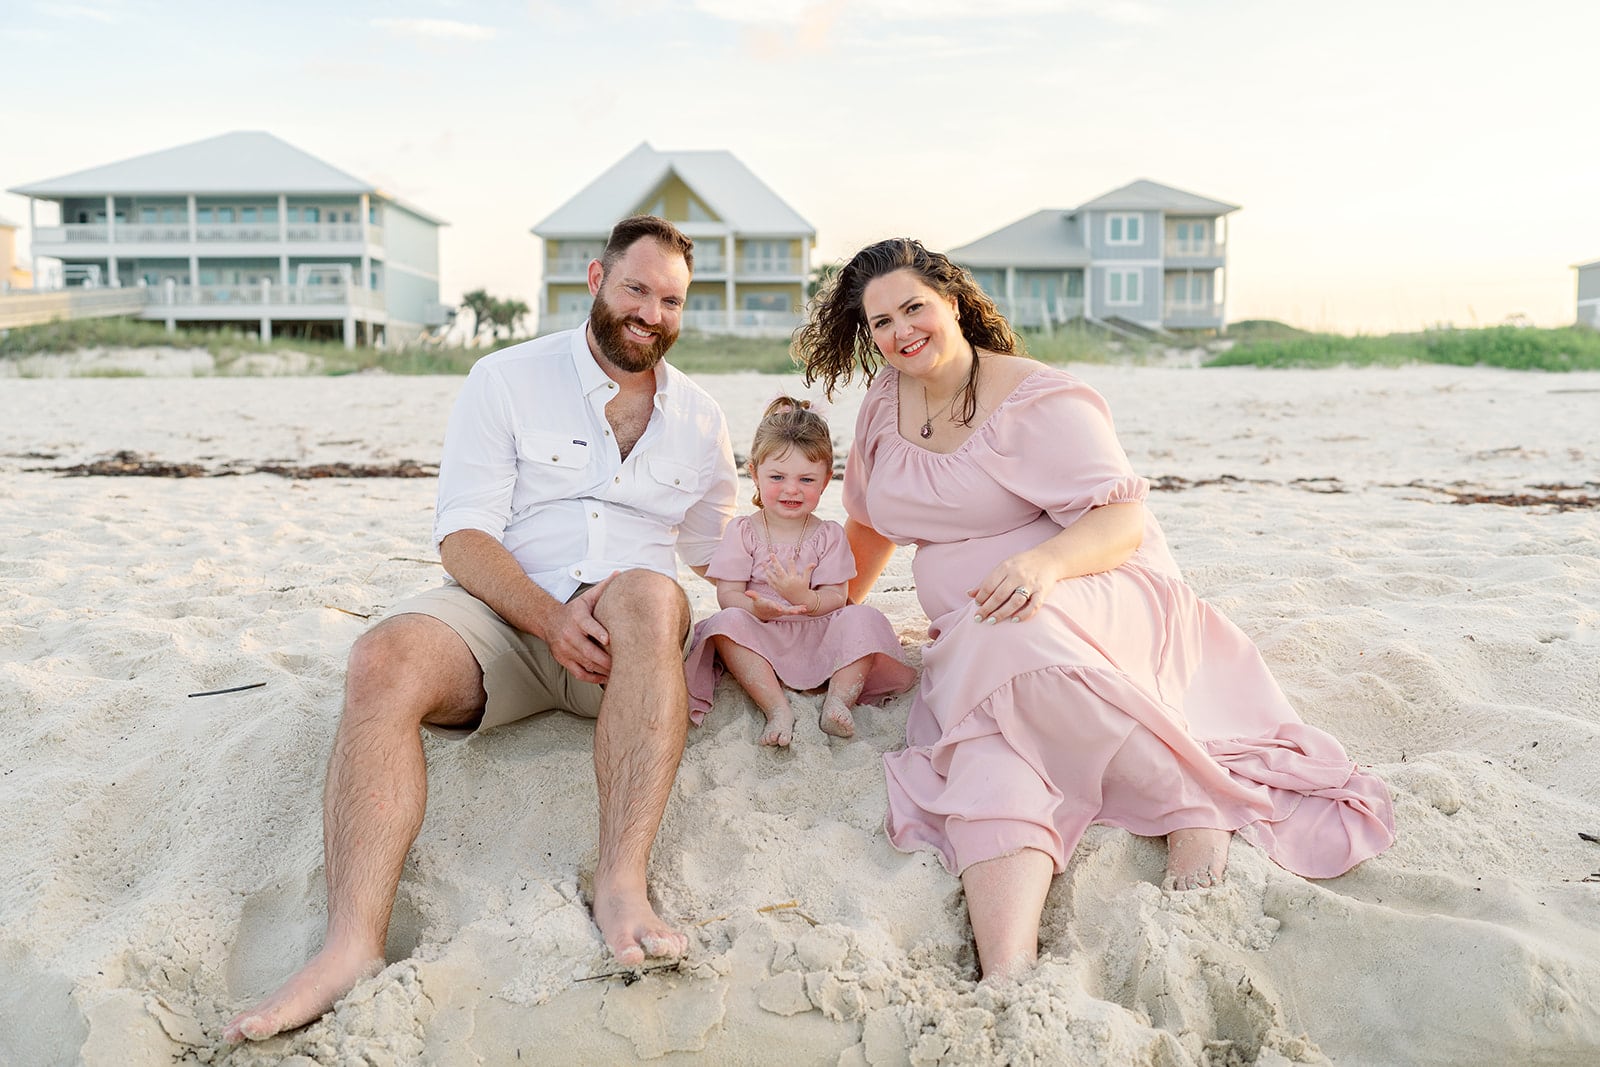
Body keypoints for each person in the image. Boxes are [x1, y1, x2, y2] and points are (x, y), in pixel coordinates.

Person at [792, 238, 1395, 982]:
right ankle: (1009, 974)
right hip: (987, 626)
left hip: (1100, 584)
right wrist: (830, 609)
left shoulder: (1039, 397)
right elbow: (870, 525)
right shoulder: (885, 402)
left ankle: (1189, 801)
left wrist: (1041, 564)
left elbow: (1123, 521)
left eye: (914, 307)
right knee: (989, 749)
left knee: (1000, 641)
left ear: (951, 301)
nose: (900, 331)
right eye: (880, 321)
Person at [223, 216, 739, 1042]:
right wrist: (544, 615)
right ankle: (350, 943)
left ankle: (621, 885)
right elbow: (463, 534)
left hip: (629, 644)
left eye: (670, 299)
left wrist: (825, 604)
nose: (651, 311)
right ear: (598, 279)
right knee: (381, 655)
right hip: (504, 619)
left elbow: (726, 555)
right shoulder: (506, 378)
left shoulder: (702, 418)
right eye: (637, 288)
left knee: (649, 591)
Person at [683, 396, 914, 746]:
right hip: (763, 632)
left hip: (817, 631)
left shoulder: (828, 534)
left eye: (807, 479)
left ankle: (838, 699)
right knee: (725, 624)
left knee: (864, 618)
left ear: (825, 482)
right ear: (755, 474)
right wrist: (754, 608)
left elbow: (838, 597)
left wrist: (804, 598)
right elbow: (727, 593)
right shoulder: (744, 531)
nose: (792, 489)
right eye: (777, 476)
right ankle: (776, 707)